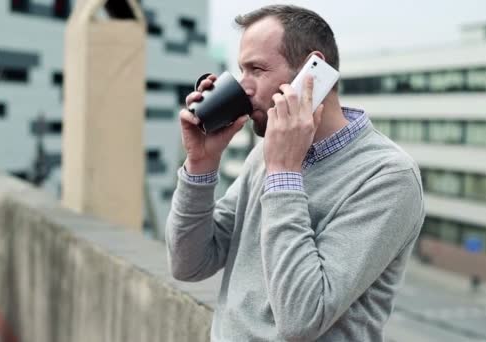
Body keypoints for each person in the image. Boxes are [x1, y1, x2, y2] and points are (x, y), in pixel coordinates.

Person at [166, 4, 425, 341]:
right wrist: (201, 166)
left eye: (256, 69)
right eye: (241, 70)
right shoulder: (266, 155)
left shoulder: (388, 177)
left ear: (311, 72)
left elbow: (302, 318)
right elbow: (189, 264)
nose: (244, 87)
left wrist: (285, 173)